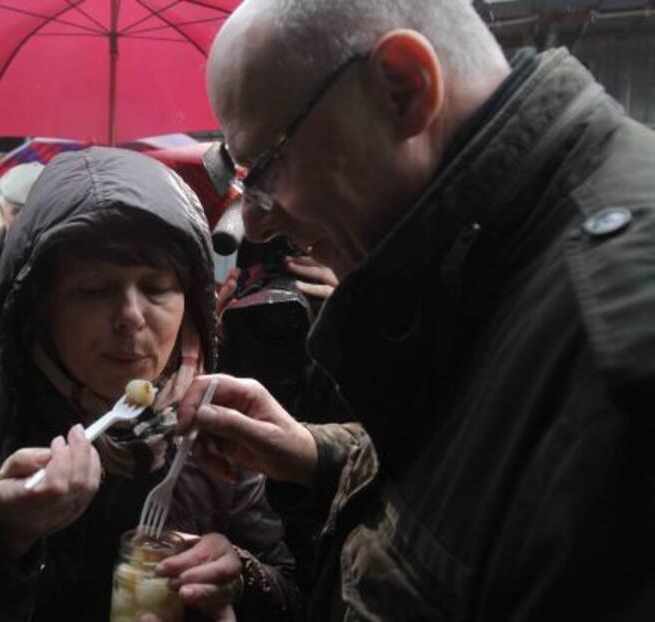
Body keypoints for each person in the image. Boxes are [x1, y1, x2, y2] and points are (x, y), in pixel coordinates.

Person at [175, 0, 655, 620]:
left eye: (267, 166)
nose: (259, 224)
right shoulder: (493, 264)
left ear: (402, 89)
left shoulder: (623, 365)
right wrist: (317, 458)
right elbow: (489, 476)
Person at [0, 147, 299, 622]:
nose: (130, 317)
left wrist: (241, 578)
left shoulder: (213, 416)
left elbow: (292, 590)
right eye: (94, 290)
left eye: (157, 288)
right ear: (39, 304)